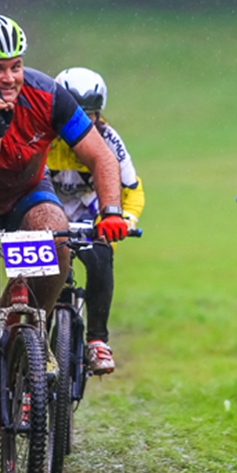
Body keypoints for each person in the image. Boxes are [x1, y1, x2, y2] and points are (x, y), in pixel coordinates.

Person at [0, 13, 128, 473]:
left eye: (15, 65)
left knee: (56, 235)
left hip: (25, 196)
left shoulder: (48, 94)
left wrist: (111, 210)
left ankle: (28, 329)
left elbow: (100, 154)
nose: (10, 78)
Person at [46, 67, 145, 376]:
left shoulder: (108, 138)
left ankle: (97, 340)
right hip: (46, 208)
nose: (84, 122)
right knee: (32, 270)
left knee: (101, 255)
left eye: (91, 115)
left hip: (91, 210)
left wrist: (124, 219)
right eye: (75, 113)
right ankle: (29, 342)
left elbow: (132, 188)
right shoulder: (41, 135)